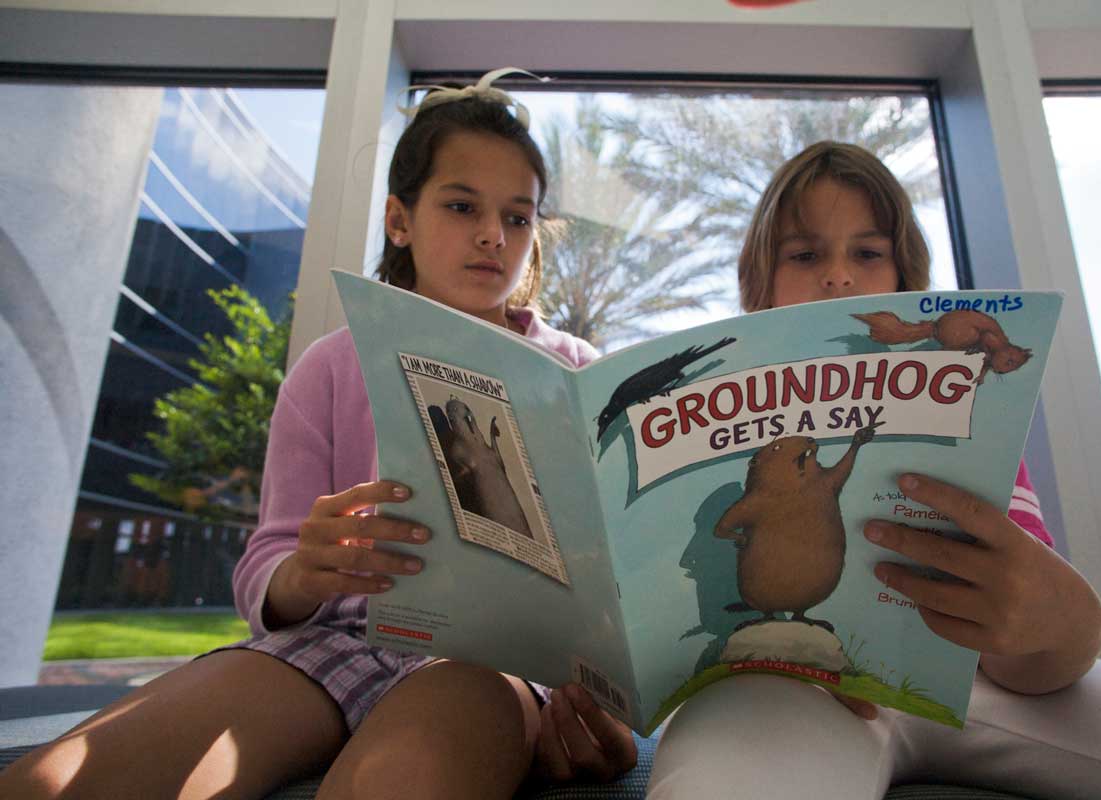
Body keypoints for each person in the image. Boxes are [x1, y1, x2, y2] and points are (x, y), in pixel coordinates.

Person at [1, 69, 637, 800]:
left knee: (406, 781)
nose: (494, 235)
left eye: (519, 218)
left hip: (488, 662)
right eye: (462, 206)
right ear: (399, 219)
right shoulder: (331, 368)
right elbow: (268, 559)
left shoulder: (579, 374)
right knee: (49, 783)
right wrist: (302, 575)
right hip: (327, 641)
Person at [646, 141, 1101, 800]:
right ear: (757, 287)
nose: (839, 277)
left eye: (867, 253)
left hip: (975, 683)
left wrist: (1072, 631)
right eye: (804, 254)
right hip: (781, 682)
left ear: (906, 283)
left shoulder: (968, 413)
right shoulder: (711, 420)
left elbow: (1026, 655)